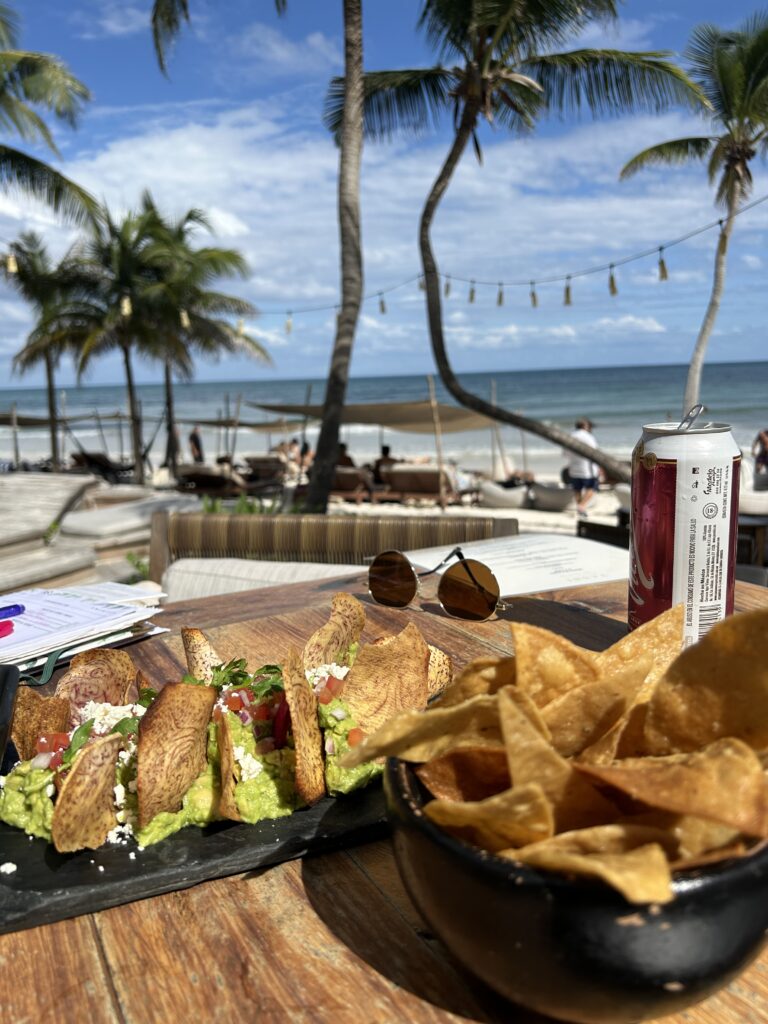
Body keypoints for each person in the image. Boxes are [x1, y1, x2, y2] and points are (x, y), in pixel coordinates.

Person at [564, 418, 599, 516]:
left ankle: (580, 507)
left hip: (574, 468)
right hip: (587, 469)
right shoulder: (588, 437)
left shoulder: (570, 436)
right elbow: (595, 453)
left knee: (577, 489)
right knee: (592, 487)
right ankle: (581, 506)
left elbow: (565, 453)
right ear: (585, 426)